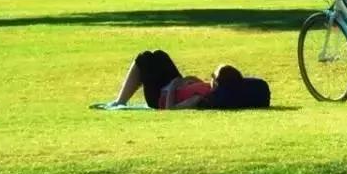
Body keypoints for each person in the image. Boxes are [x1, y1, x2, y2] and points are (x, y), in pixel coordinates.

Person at [91, 50, 243, 110]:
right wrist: (189, 80)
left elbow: (171, 109)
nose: (210, 78)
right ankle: (120, 100)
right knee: (160, 55)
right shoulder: (211, 89)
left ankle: (120, 101)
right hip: (172, 87)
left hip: (159, 98)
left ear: (217, 83)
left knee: (143, 59)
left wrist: (173, 86)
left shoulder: (199, 99)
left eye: (212, 77)